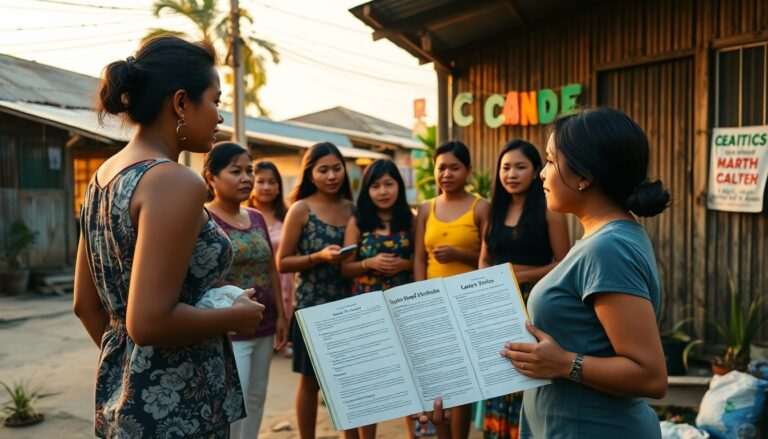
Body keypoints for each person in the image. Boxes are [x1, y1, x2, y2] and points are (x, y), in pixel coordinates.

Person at [73, 35, 265, 437]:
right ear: (181, 103)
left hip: (126, 406)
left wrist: (132, 374)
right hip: (182, 414)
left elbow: (86, 305)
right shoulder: (175, 181)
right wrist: (235, 317)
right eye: (214, 100)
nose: (219, 117)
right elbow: (148, 321)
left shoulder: (103, 177)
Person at [501, 107, 669, 437]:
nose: (541, 175)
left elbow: (650, 376)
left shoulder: (608, 248)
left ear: (584, 176)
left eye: (550, 161)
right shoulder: (603, 239)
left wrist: (564, 363)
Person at [478, 140, 571, 439]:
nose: (512, 174)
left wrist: (519, 277)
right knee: (498, 371)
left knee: (526, 374)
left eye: (521, 167)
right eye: (506, 167)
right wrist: (490, 285)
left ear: (535, 172)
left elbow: (563, 262)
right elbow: (484, 260)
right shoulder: (492, 211)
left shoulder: (549, 209)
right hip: (495, 304)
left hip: (535, 307)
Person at [204, 142, 288, 439]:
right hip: (229, 327)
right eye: (235, 171)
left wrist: (280, 315)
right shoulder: (205, 220)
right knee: (232, 403)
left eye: (249, 171)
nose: (247, 178)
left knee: (255, 397)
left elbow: (271, 269)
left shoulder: (256, 217)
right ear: (211, 177)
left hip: (264, 322)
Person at [276, 142, 356, 439]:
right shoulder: (301, 209)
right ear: (310, 173)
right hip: (310, 307)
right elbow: (282, 262)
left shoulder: (354, 208)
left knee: (346, 380)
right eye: (323, 170)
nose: (332, 175)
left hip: (348, 304)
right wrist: (318, 257)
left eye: (337, 168)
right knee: (309, 381)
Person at [413, 140, 490, 439]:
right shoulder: (425, 208)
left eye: (454, 167)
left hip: (466, 305)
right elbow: (419, 257)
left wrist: (460, 255)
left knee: (464, 380)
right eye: (441, 167)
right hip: (430, 305)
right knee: (438, 379)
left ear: (468, 170)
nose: (447, 173)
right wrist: (418, 299)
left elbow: (489, 257)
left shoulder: (481, 207)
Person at [340, 159, 415, 439]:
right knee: (369, 375)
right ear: (367, 190)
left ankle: (414, 433)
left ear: (399, 186)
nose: (383, 191)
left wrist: (403, 266)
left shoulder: (411, 218)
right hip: (366, 308)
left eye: (389, 184)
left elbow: (420, 261)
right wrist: (368, 263)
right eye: (376, 186)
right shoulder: (357, 222)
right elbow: (345, 268)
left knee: (408, 372)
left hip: (402, 304)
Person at [248, 161, 295, 356]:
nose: (266, 187)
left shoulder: (288, 217)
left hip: (286, 280)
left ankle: (283, 338)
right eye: (261, 181)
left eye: (272, 182)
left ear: (279, 187)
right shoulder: (244, 217)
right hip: (256, 281)